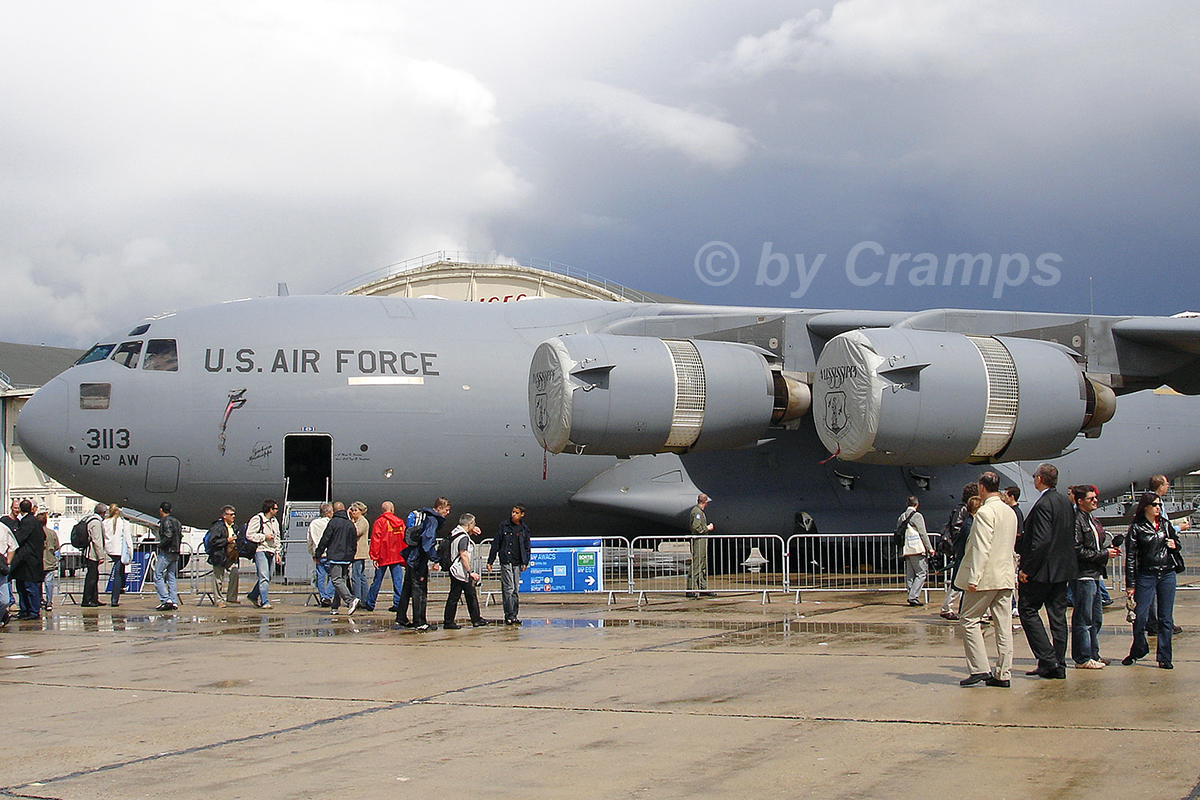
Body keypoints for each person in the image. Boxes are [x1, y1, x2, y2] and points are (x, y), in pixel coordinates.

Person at [956, 471, 1019, 687]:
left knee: (969, 619)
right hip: (1005, 575)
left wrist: (974, 577)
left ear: (982, 488)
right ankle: (1003, 673)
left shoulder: (984, 513)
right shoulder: (1010, 512)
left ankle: (980, 668)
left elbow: (981, 548)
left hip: (986, 577)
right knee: (1003, 626)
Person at [1018, 463, 1079, 679]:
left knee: (1027, 610)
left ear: (1040, 479)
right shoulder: (1064, 501)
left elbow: (1041, 541)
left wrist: (1027, 568)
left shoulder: (1044, 504)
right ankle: (1057, 663)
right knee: (1057, 616)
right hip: (1062, 570)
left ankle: (1048, 657)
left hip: (1043, 571)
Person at [1122, 492, 1181, 669]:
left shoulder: (1165, 525)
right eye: (1155, 505)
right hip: (1146, 575)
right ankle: (1138, 649)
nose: (1158, 508)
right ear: (1145, 507)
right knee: (1140, 617)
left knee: (1165, 618)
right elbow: (1131, 558)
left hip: (1167, 573)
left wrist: (1174, 545)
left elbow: (1176, 543)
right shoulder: (1137, 528)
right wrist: (1130, 584)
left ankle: (1164, 656)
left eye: (1160, 505)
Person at [1071, 485, 1117, 669]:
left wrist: (1107, 551)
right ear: (1080, 501)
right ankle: (1082, 657)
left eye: (1095, 498)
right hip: (1083, 575)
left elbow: (1095, 544)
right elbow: (1077, 549)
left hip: (1095, 573)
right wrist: (1104, 554)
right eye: (1091, 499)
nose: (1095, 501)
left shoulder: (1091, 519)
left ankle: (1093, 653)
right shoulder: (1077, 520)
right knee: (1084, 618)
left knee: (1096, 617)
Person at [399, 498, 449, 631]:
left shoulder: (425, 516)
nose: (447, 513)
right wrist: (435, 559)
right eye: (446, 510)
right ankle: (419, 621)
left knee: (407, 588)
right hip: (418, 559)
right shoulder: (432, 520)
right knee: (419, 590)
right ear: (438, 508)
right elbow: (428, 541)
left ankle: (401, 617)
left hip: (411, 556)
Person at [1146, 474, 1186, 635]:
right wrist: (1178, 529)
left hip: (1158, 552)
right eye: (1166, 484)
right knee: (1157, 591)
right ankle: (1158, 623)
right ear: (1160, 486)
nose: (1168, 486)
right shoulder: (1155, 503)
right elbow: (1161, 527)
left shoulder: (1152, 501)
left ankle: (1157, 621)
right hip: (1158, 554)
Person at [939, 483, 978, 621]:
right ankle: (946, 607)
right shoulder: (962, 510)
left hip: (963, 549)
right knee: (958, 580)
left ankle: (957, 607)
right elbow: (957, 530)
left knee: (961, 580)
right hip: (963, 550)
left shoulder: (961, 509)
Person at [314, 502, 360, 616]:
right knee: (341, 581)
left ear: (334, 511)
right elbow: (354, 542)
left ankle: (350, 600)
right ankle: (335, 607)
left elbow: (325, 539)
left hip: (335, 556)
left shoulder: (333, 523)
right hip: (347, 557)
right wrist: (352, 555)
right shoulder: (350, 524)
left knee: (336, 580)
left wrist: (318, 553)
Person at [488, 504, 531, 626]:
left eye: (517, 513)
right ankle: (509, 615)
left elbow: (527, 547)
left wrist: (525, 562)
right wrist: (490, 561)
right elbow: (496, 543)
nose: (514, 515)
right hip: (506, 560)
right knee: (509, 588)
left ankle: (514, 615)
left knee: (515, 590)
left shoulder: (524, 529)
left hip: (517, 562)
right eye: (513, 512)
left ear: (522, 515)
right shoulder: (504, 526)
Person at [443, 513, 488, 628]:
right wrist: (470, 571)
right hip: (460, 571)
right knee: (461, 595)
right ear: (469, 524)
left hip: (454, 569)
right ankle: (452, 621)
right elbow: (463, 555)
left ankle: (474, 618)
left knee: (465, 594)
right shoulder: (463, 537)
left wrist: (471, 531)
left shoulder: (455, 532)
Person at [366, 502, 405, 613]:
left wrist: (374, 556)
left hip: (383, 556)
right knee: (398, 581)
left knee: (377, 581)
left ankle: (370, 603)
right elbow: (404, 538)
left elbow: (376, 539)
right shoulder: (400, 522)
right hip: (396, 555)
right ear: (392, 509)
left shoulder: (379, 522)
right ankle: (398, 603)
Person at [11, 500, 46, 619]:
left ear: (20, 509)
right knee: (23, 586)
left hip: (27, 560)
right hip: (32, 558)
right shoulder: (34, 521)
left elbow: (19, 539)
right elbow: (43, 537)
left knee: (29, 587)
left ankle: (32, 611)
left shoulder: (27, 522)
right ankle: (26, 610)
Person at [245, 499, 280, 609]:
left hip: (271, 551)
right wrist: (264, 537)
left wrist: (277, 552)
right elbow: (249, 535)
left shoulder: (274, 521)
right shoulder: (258, 519)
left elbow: (277, 537)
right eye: (275, 508)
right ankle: (264, 601)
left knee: (268, 576)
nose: (277, 511)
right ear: (270, 509)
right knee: (264, 576)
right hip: (261, 550)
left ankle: (253, 595)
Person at [898, 496, 933, 606]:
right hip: (916, 549)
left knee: (910, 575)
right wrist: (929, 548)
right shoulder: (917, 516)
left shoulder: (901, 517)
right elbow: (922, 533)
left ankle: (910, 594)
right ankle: (913, 596)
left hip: (906, 549)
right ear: (916, 505)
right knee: (921, 573)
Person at [205, 506, 239, 607]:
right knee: (218, 579)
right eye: (231, 514)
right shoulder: (217, 527)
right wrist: (226, 540)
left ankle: (231, 597)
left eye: (234, 514)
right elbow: (213, 541)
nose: (233, 516)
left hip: (230, 556)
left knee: (235, 572)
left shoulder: (234, 527)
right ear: (224, 516)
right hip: (219, 556)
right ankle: (218, 600)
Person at [101, 504, 132, 607]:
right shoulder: (123, 523)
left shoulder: (104, 522)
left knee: (119, 572)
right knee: (118, 575)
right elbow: (128, 539)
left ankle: (120, 589)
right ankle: (115, 599)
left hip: (109, 550)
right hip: (119, 551)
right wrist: (130, 553)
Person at [154, 501, 182, 611]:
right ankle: (173, 601)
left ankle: (166, 599)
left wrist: (161, 545)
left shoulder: (165, 521)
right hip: (176, 551)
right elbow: (179, 535)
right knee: (171, 576)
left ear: (161, 510)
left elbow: (168, 535)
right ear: (170, 510)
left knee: (158, 575)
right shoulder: (176, 521)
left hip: (167, 551)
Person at [307, 504, 334, 607]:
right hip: (328, 553)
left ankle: (322, 596)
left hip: (318, 554)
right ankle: (327, 596)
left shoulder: (313, 523)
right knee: (335, 576)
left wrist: (312, 553)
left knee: (321, 576)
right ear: (328, 513)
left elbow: (309, 539)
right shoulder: (330, 523)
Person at [687, 493, 714, 598]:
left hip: (702, 541)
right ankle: (690, 589)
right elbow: (696, 527)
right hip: (698, 541)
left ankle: (703, 588)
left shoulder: (699, 512)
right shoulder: (697, 512)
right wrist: (708, 528)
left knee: (702, 565)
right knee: (696, 565)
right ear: (706, 502)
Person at [80, 503, 107, 607]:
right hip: (92, 554)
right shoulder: (96, 522)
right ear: (103, 513)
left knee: (94, 576)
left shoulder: (89, 519)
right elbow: (97, 540)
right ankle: (87, 599)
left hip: (89, 552)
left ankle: (94, 598)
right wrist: (101, 556)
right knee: (91, 577)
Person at [349, 501, 370, 604]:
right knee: (360, 576)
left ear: (361, 511)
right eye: (352, 510)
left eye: (355, 510)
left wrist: (351, 522)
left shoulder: (362, 522)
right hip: (356, 552)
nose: (353, 512)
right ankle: (363, 598)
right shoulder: (358, 521)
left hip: (359, 552)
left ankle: (358, 598)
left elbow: (355, 532)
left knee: (356, 576)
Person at [40, 512, 59, 613]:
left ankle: (39, 600)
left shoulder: (36, 532)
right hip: (49, 561)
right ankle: (49, 601)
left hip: (39, 562)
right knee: (49, 583)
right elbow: (57, 546)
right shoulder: (52, 533)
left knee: (38, 583)